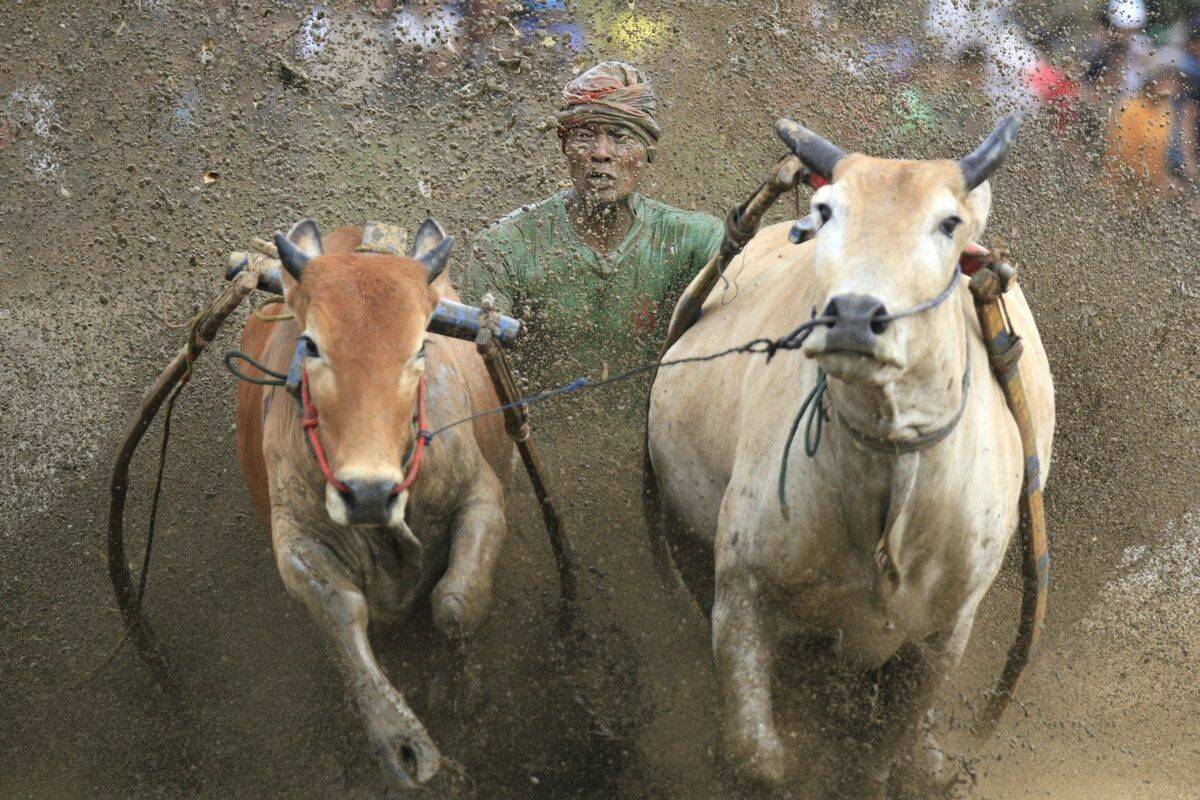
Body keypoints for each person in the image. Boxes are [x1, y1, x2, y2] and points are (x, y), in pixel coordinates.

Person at [461, 61, 723, 384]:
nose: (601, 153)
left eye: (619, 136)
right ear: (564, 146)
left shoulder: (698, 243)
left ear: (649, 148)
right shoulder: (504, 250)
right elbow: (478, 377)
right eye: (585, 136)